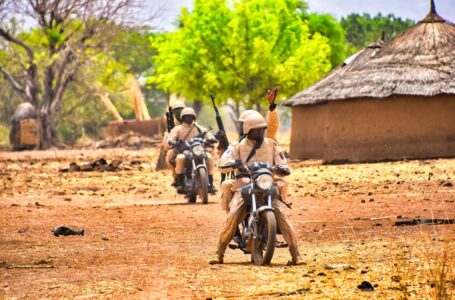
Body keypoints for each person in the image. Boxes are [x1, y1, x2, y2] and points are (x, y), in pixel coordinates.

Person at [210, 113, 301, 265]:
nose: (260, 132)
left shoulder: (271, 144)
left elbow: (282, 162)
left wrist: (283, 168)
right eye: (256, 130)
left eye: (262, 129)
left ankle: (296, 254)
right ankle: (219, 252)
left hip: (267, 185)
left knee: (282, 216)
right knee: (233, 215)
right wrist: (234, 164)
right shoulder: (237, 146)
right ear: (247, 130)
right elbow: (223, 161)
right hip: (244, 186)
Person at [219, 87, 282, 212]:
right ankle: (231, 222)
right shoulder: (238, 145)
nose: (241, 127)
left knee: (282, 184)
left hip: (265, 180)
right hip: (244, 182)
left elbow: (273, 126)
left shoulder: (268, 141)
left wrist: (272, 107)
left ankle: (278, 209)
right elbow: (224, 161)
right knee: (227, 185)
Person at [166, 107, 217, 194]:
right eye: (186, 117)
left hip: (198, 150)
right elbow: (170, 138)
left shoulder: (198, 127)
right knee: (180, 158)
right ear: (182, 118)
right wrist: (173, 142)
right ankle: (180, 183)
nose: (189, 118)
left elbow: (208, 134)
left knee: (209, 157)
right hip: (184, 151)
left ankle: (211, 182)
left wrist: (211, 138)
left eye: (190, 116)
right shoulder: (177, 129)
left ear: (194, 118)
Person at [163, 101, 186, 185]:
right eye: (176, 111)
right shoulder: (173, 125)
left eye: (180, 110)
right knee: (169, 155)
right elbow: (167, 140)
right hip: (177, 147)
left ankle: (208, 177)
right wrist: (169, 141)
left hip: (191, 146)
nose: (179, 113)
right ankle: (176, 177)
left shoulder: (191, 121)